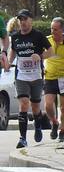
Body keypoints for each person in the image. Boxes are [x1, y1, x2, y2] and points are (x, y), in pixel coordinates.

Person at [9, 9, 53, 148]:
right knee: (24, 103)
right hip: (21, 76)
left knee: (35, 106)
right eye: (20, 20)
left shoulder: (38, 35)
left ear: (31, 21)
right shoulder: (15, 36)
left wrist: (40, 56)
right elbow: (13, 52)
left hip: (36, 76)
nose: (22, 22)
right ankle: (22, 138)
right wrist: (8, 63)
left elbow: (51, 52)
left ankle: (38, 126)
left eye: (25, 19)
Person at [43, 17, 64, 142]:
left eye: (56, 29)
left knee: (63, 107)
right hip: (50, 76)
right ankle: (54, 122)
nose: (53, 31)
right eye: (52, 28)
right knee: (47, 105)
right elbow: (41, 56)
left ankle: (62, 131)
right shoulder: (47, 40)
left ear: (62, 30)